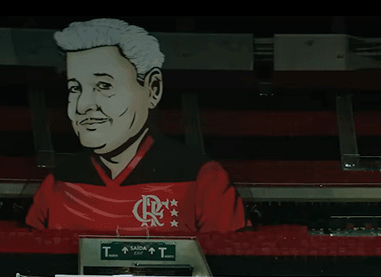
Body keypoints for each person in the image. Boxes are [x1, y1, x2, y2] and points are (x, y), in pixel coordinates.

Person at [25, 18, 246, 233]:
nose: (83, 105)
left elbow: (230, 265)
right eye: (74, 88)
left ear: (153, 88)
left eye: (103, 85)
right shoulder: (57, 184)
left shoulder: (203, 180)